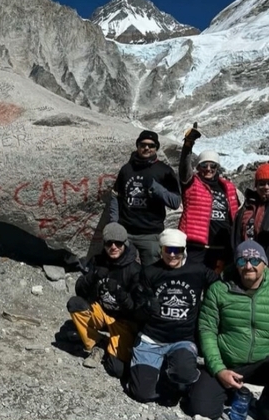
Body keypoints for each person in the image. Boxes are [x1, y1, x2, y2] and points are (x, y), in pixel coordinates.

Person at [187, 240, 269, 420]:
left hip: (266, 362)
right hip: (228, 362)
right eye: (242, 261)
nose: (248, 266)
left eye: (254, 260)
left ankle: (267, 405)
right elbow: (207, 331)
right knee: (202, 408)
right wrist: (219, 369)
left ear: (264, 263)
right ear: (235, 264)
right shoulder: (219, 290)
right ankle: (232, 391)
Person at [129, 228, 218, 406]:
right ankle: (157, 369)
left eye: (176, 250)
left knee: (183, 373)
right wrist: (146, 306)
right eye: (167, 249)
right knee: (142, 393)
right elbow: (136, 308)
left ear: (184, 250)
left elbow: (221, 285)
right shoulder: (150, 272)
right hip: (152, 338)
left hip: (182, 338)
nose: (171, 255)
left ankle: (176, 372)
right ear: (160, 249)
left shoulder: (197, 270)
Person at [66, 222, 141, 379]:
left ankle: (114, 346)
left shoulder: (134, 269)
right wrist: (93, 276)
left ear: (125, 243)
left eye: (118, 243)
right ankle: (96, 344)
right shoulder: (98, 261)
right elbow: (80, 290)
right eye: (109, 243)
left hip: (122, 320)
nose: (113, 247)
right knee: (75, 304)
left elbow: (137, 309)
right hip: (101, 310)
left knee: (117, 369)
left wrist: (121, 294)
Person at [110, 130, 181, 266]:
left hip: (151, 235)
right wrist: (115, 224)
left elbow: (175, 202)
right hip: (126, 232)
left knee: (151, 273)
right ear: (137, 146)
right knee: (123, 271)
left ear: (156, 148)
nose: (147, 148)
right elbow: (115, 196)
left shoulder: (164, 171)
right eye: (143, 144)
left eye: (151, 145)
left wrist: (156, 187)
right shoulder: (126, 169)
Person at [178, 123, 240, 272]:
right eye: (204, 165)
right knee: (195, 282)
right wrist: (188, 145)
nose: (208, 169)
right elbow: (184, 169)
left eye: (213, 166)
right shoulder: (192, 183)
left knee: (218, 287)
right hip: (196, 247)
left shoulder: (228, 187)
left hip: (222, 247)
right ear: (198, 167)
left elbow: (235, 214)